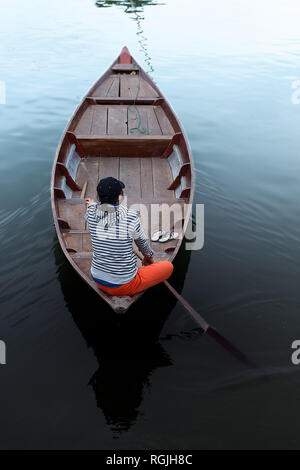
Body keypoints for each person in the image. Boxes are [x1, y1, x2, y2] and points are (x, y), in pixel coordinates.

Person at [85, 177, 173, 296]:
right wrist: (148, 256)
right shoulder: (130, 216)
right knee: (168, 267)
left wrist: (91, 203)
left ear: (98, 196)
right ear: (120, 195)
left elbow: (92, 206)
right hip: (125, 285)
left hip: (97, 278)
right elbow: (142, 243)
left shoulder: (90, 212)